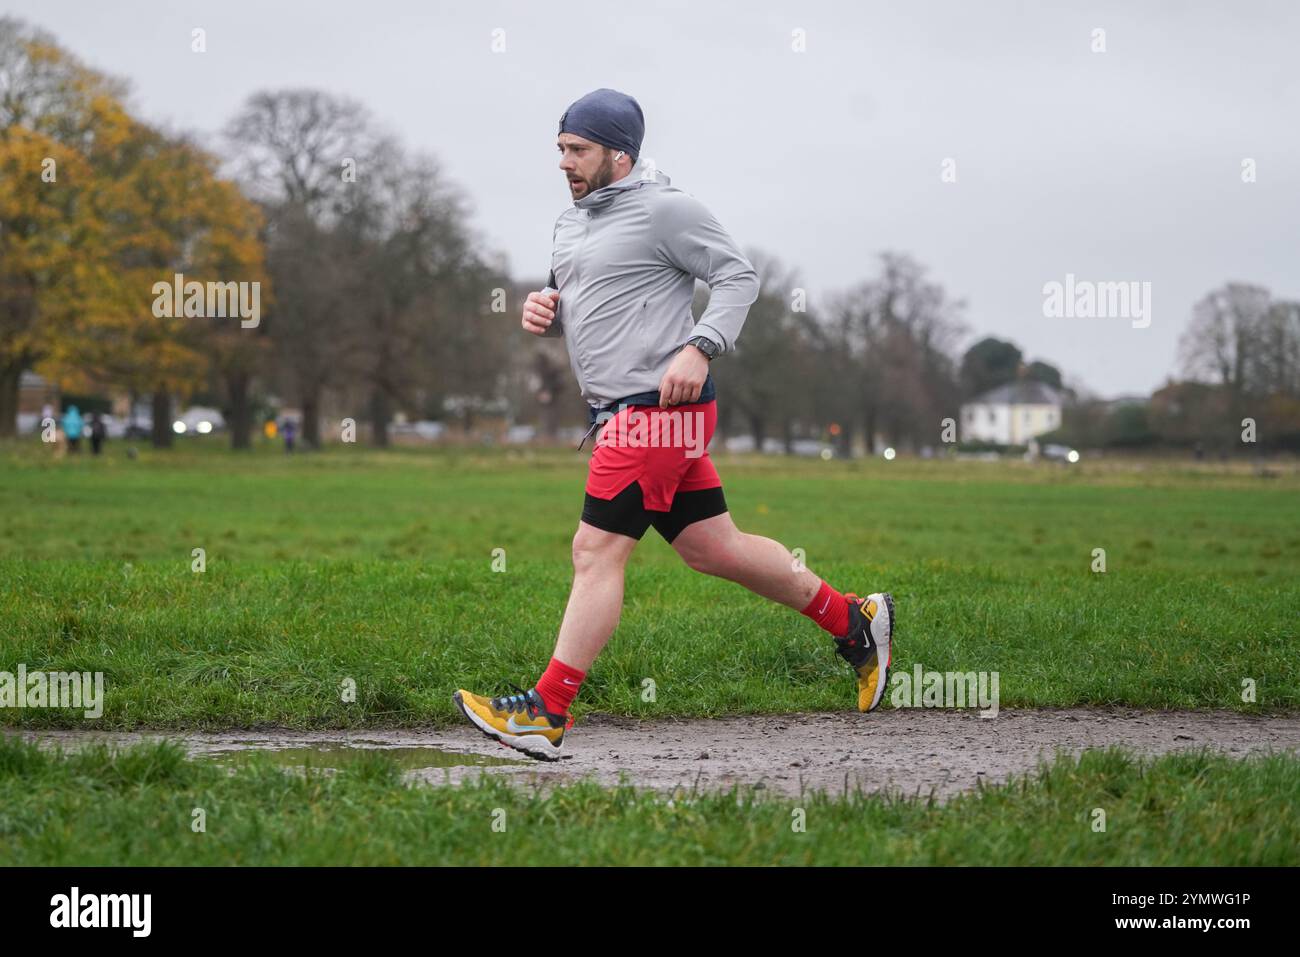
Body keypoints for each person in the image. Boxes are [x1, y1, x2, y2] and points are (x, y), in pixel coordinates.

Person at [454, 89, 895, 762]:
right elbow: (591, 294)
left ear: (619, 154)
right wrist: (547, 305)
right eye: (561, 149)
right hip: (619, 413)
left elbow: (737, 277)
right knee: (713, 548)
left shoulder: (667, 211)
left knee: (595, 552)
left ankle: (546, 709)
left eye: (578, 150)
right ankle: (855, 620)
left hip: (657, 414)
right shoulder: (569, 222)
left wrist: (700, 345)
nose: (564, 163)